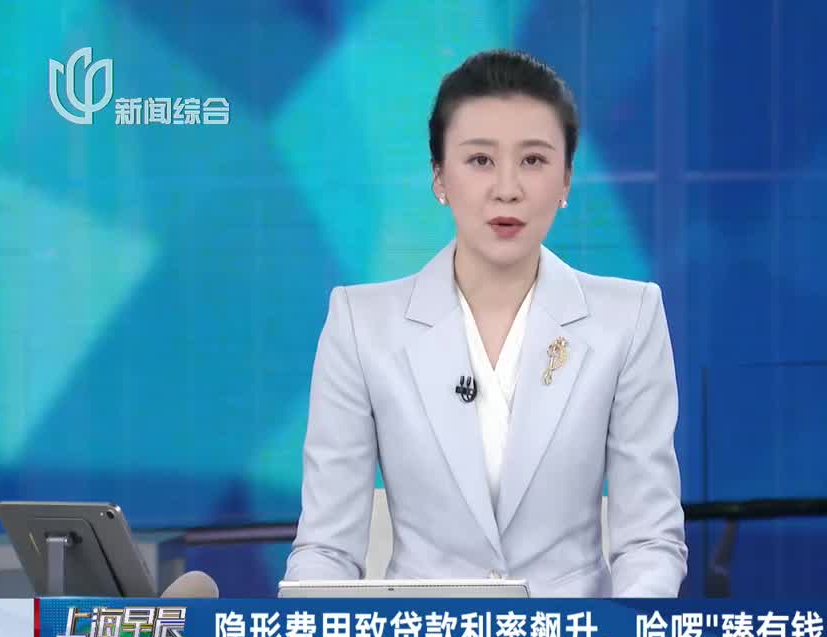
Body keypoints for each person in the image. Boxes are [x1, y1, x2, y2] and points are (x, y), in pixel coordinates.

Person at [284, 49, 688, 597]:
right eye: (479, 160)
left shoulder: (629, 319)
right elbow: (327, 550)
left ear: (566, 179)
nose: (507, 188)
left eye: (533, 160)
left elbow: (649, 542)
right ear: (439, 177)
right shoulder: (361, 326)